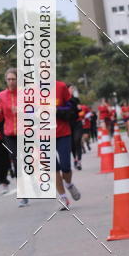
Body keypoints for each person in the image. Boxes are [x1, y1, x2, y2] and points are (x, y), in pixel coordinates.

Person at [0, 68, 26, 206]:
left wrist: (22, 110)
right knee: (16, 162)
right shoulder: (1, 96)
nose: (11, 82)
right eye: (8, 79)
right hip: (10, 134)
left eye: (13, 79)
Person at [55, 81, 81, 209]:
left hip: (62, 133)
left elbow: (71, 108)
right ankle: (63, 198)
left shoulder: (60, 87)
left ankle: (69, 184)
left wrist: (56, 110)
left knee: (65, 166)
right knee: (53, 169)